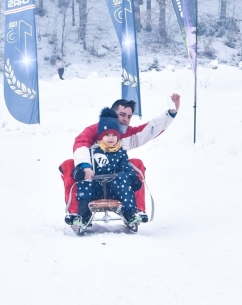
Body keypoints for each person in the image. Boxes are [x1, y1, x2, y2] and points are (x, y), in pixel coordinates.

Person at [60, 94, 181, 224]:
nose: (125, 120)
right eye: (122, 115)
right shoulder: (95, 130)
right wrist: (85, 166)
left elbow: (149, 130)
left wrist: (171, 113)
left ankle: (136, 211)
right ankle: (75, 212)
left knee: (136, 164)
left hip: (117, 184)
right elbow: (81, 143)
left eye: (129, 116)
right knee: (69, 165)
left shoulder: (127, 133)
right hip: (92, 181)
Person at [73, 108, 141, 228]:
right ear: (100, 137)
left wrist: (133, 178)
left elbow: (126, 168)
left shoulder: (120, 152)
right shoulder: (93, 151)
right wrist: (79, 172)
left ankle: (130, 213)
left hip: (113, 189)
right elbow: (82, 165)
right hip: (96, 188)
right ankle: (83, 215)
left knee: (123, 176)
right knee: (85, 180)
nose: (111, 138)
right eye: (107, 135)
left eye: (114, 135)